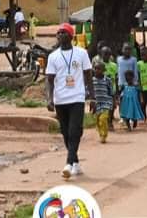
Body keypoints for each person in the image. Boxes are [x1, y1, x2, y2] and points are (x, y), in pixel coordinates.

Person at [46, 23, 93, 179]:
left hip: (77, 97)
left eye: (63, 32)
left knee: (75, 130)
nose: (60, 35)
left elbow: (88, 75)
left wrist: (91, 95)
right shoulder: (53, 56)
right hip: (60, 99)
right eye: (58, 33)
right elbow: (50, 80)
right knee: (66, 132)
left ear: (71, 36)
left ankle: (68, 163)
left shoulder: (81, 53)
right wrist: (49, 99)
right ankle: (75, 162)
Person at [91, 61, 114, 143]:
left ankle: (104, 135)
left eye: (99, 69)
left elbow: (111, 92)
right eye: (95, 68)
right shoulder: (92, 80)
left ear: (104, 70)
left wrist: (113, 102)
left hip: (105, 103)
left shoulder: (107, 80)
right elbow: (90, 92)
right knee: (97, 120)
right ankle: (101, 133)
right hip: (96, 103)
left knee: (103, 119)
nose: (97, 70)